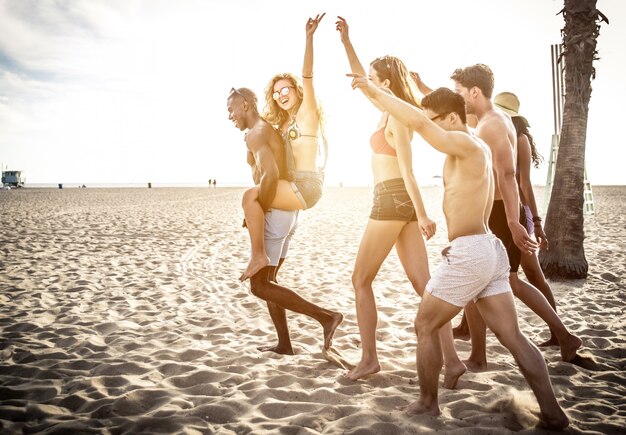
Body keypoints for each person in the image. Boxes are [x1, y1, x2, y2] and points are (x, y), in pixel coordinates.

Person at [348, 76, 570, 429]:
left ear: (451, 119)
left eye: (435, 121)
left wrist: (376, 91)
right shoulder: (475, 145)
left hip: (471, 253)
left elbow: (418, 121)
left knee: (424, 323)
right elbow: (425, 114)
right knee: (513, 337)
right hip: (490, 249)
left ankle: (427, 403)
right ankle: (553, 412)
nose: (428, 131)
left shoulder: (465, 145)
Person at [336, 16, 466, 386]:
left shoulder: (398, 118)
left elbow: (408, 171)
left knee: (360, 279)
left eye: (375, 80)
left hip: (393, 200)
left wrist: (422, 214)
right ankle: (453, 362)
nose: (368, 85)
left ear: (387, 83)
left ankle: (369, 359)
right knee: (424, 285)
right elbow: (362, 80)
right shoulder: (388, 108)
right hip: (397, 203)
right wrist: (347, 42)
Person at [451, 65, 581, 368]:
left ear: (474, 92)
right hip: (494, 213)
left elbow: (508, 175)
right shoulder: (493, 119)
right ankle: (561, 336)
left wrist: (513, 221)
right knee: (500, 283)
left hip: (499, 214)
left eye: (460, 93)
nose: (458, 99)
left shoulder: (494, 124)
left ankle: (481, 357)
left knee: (500, 283)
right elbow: (446, 114)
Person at [227, 87, 343, 354]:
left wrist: (259, 208)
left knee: (259, 285)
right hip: (287, 211)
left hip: (277, 210)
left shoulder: (256, 133)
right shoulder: (263, 129)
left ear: (245, 105)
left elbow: (270, 175)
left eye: (231, 109)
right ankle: (284, 344)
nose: (229, 116)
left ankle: (326, 317)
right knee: (270, 281)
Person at [239, 13, 327, 282]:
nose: (280, 95)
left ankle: (257, 255)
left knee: (249, 197)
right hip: (295, 186)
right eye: (276, 93)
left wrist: (309, 38)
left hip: (306, 186)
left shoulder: (307, 114)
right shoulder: (284, 121)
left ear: (296, 90)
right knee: (270, 279)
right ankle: (262, 257)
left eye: (285, 89)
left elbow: (308, 76)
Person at [495, 92, 559, 346]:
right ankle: (467, 325)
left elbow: (524, 184)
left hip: (520, 213)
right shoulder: (494, 137)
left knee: (532, 272)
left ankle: (556, 332)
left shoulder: (520, 140)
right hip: (498, 213)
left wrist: (537, 223)